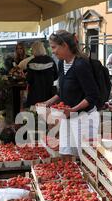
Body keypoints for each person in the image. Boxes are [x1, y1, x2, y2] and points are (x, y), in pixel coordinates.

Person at [39, 30, 100, 159]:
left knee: (85, 160)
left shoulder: (80, 65)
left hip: (84, 118)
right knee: (65, 155)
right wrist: (47, 102)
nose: (53, 51)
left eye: (54, 47)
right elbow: (62, 92)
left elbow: (92, 96)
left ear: (65, 45)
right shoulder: (61, 63)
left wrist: (73, 109)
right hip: (68, 118)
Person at [24, 41, 58, 108]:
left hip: (34, 94)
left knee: (35, 114)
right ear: (43, 49)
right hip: (48, 93)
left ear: (33, 50)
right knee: (48, 114)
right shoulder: (51, 61)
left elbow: (29, 80)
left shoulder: (30, 63)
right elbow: (56, 76)